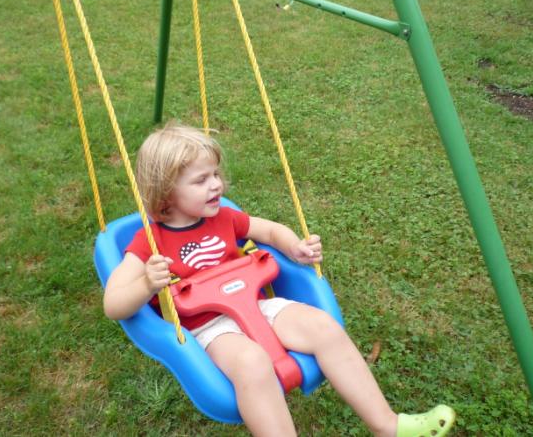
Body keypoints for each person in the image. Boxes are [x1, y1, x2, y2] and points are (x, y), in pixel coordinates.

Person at [103, 123, 455, 437]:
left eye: (215, 174)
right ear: (166, 193)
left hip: (258, 305)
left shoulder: (224, 217)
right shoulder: (149, 242)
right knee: (252, 363)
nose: (216, 185)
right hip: (209, 329)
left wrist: (294, 247)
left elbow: (269, 231)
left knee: (324, 327)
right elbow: (113, 303)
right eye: (201, 180)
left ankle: (388, 426)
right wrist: (146, 284)